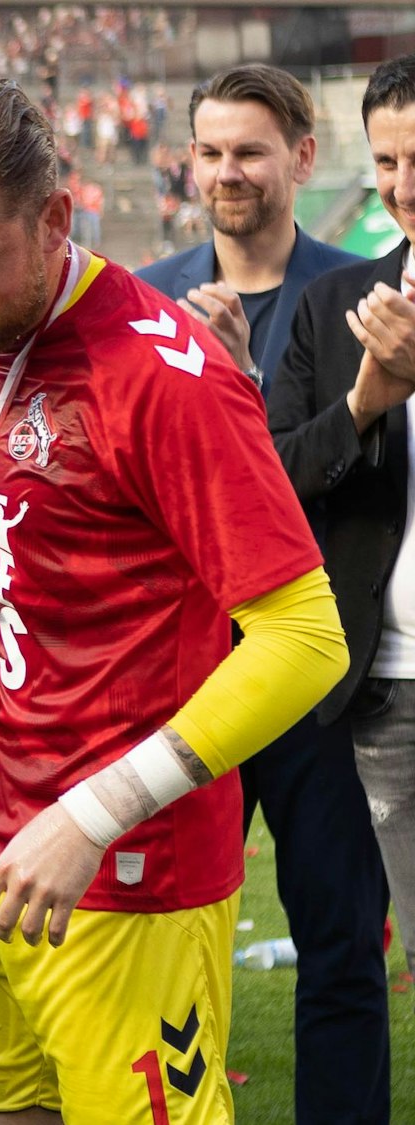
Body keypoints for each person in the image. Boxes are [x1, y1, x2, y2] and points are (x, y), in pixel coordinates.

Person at [0, 76, 346, 1123]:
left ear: (52, 222)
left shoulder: (162, 377)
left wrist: (92, 812)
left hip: (127, 875)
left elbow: (304, 640)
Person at [135, 63, 386, 1125]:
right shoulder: (140, 300)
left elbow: (364, 484)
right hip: (185, 675)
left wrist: (244, 398)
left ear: (300, 158)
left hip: (317, 677)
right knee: (155, 939)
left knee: (338, 940)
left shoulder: (365, 297)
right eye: (209, 152)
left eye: (247, 151)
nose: (226, 171)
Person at [265, 51, 415, 1026]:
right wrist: (365, 401)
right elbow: (272, 475)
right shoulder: (331, 307)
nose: (403, 187)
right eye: (386, 163)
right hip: (390, 693)